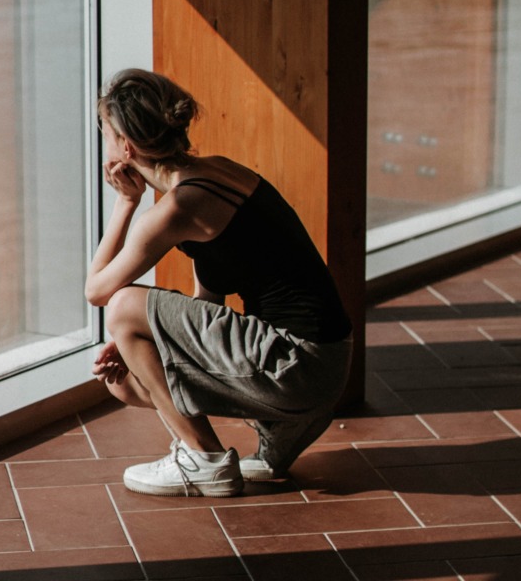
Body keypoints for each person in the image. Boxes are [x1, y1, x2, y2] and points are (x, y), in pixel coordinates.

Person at [86, 69, 352, 497]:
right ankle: (286, 425)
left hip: (297, 363)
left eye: (106, 132)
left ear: (126, 147)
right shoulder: (220, 174)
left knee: (121, 307)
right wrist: (143, 345)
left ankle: (203, 459)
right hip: (324, 364)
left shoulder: (179, 207)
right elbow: (208, 301)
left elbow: (97, 291)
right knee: (122, 382)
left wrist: (126, 201)